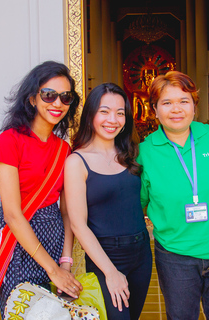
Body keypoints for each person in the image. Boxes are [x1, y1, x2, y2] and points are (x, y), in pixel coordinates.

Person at [138, 71, 209, 320]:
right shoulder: (145, 151)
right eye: (166, 103)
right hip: (176, 255)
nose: (176, 109)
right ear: (154, 110)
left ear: (194, 105)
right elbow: (141, 203)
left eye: (184, 101)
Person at [0, 61, 83, 318]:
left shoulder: (63, 150)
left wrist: (64, 260)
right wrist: (53, 270)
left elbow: (66, 212)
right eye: (49, 95)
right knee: (21, 311)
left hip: (54, 241)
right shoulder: (10, 140)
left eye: (66, 97)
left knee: (53, 313)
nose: (57, 103)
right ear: (32, 98)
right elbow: (11, 213)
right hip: (18, 245)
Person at [65, 83, 152, 320]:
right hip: (106, 256)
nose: (112, 119)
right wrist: (111, 272)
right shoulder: (76, 161)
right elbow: (78, 225)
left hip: (142, 252)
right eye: (104, 111)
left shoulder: (131, 154)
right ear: (91, 114)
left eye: (120, 112)